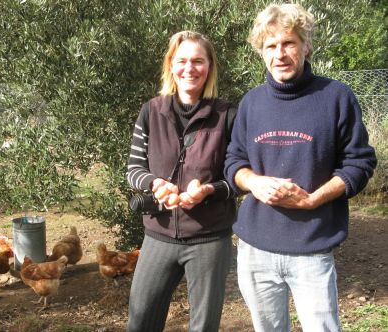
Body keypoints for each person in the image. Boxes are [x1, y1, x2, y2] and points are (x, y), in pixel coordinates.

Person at [224, 3, 377, 332]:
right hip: (255, 250)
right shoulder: (251, 102)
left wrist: (314, 199)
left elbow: (360, 162)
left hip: (312, 247)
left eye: (288, 43)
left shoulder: (336, 97)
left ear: (306, 46)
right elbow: (234, 161)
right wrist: (254, 182)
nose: (280, 53)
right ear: (261, 52)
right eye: (270, 45)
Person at [126, 30, 236, 332]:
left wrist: (209, 190)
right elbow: (133, 168)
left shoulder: (227, 116)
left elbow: (238, 178)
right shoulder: (151, 111)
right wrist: (154, 183)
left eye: (198, 61)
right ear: (171, 66)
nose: (190, 68)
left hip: (209, 238)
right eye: (182, 60)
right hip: (158, 236)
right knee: (140, 322)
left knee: (203, 327)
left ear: (210, 67)